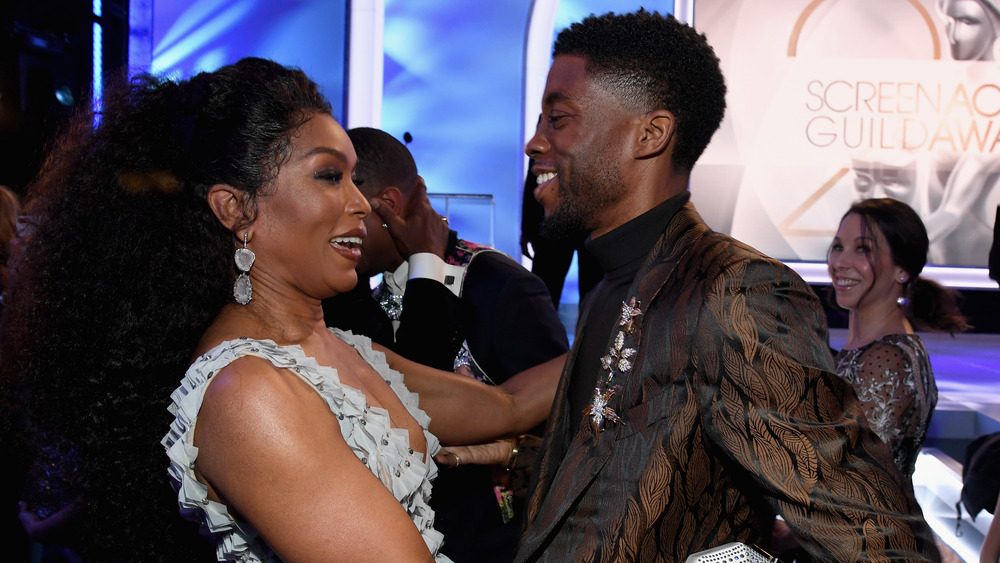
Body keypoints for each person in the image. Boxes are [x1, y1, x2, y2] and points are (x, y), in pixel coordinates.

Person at [0, 57, 558, 562]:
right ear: (235, 209)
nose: (360, 202)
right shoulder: (248, 392)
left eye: (354, 178)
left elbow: (508, 404)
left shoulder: (338, 349)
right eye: (328, 176)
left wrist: (633, 313)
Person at [511, 10, 940, 561]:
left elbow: (883, 542)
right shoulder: (615, 285)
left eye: (558, 119)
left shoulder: (733, 292)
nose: (534, 142)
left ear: (651, 134)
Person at [324, 126, 569, 563]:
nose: (342, 224)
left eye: (355, 209)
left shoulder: (502, 287)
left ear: (389, 205)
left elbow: (557, 416)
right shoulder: (351, 291)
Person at [828, 198, 970, 492]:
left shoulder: (887, 359)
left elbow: (857, 483)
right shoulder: (865, 348)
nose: (840, 262)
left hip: (866, 537)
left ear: (901, 270)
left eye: (863, 249)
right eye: (838, 246)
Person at [520, 157, 600, 308]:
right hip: (555, 227)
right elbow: (532, 184)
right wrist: (527, 229)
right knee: (543, 294)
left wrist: (527, 230)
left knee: (593, 295)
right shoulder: (545, 146)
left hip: (588, 224)